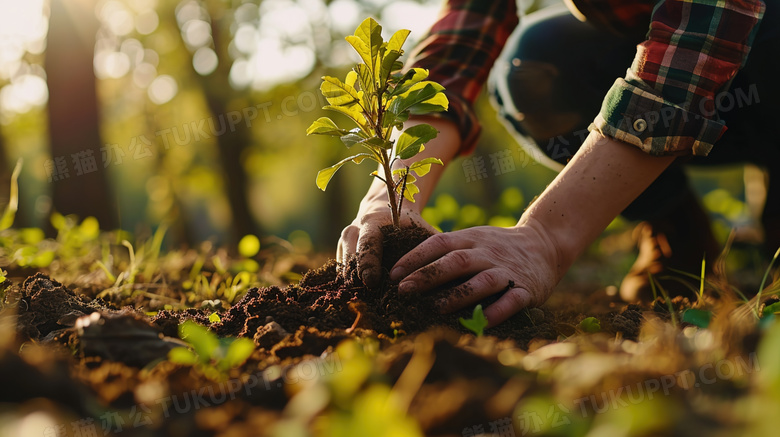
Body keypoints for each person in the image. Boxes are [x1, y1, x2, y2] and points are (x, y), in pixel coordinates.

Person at [336, 0, 777, 327]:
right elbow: (462, 40)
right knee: (537, 59)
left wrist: (546, 238)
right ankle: (677, 230)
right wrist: (387, 198)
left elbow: (703, 40)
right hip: (695, 74)